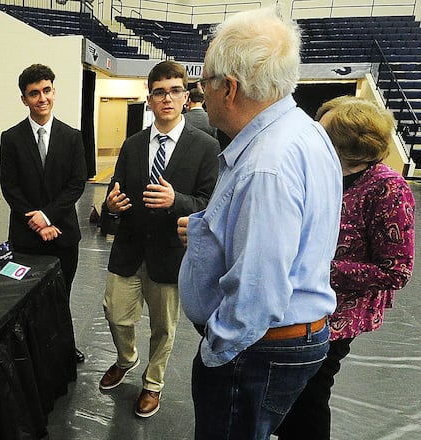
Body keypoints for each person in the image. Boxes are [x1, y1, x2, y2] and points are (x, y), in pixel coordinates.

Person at [176, 8, 343, 439]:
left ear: (229, 89)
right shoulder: (304, 131)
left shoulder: (265, 166)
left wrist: (216, 350)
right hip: (288, 338)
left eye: (204, 83)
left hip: (257, 348)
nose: (201, 93)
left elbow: (258, 293)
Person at [275, 96, 415, 439]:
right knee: (289, 391)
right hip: (299, 298)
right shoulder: (322, 172)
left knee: (310, 393)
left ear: (347, 147)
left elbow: (396, 270)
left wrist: (319, 267)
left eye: (322, 132)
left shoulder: (388, 188)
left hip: (340, 313)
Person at [99, 60, 219, 418]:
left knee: (164, 327)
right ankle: (127, 358)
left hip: (170, 255)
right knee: (115, 314)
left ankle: (153, 383)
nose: (167, 98)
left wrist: (176, 201)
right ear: (149, 99)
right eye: (159, 92)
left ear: (186, 97)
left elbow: (209, 204)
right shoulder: (133, 144)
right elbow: (115, 190)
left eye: (174, 91)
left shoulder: (206, 147)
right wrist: (111, 205)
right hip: (129, 249)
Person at [0, 63, 87, 364]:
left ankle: (63, 347)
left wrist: (47, 217)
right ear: (24, 99)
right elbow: (10, 187)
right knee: (27, 299)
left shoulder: (72, 137)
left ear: (54, 92)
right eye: (34, 93)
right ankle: (31, 355)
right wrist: (36, 222)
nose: (42, 98)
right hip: (26, 237)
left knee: (62, 295)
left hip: (63, 235)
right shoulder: (11, 138)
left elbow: (76, 184)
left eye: (46, 90)